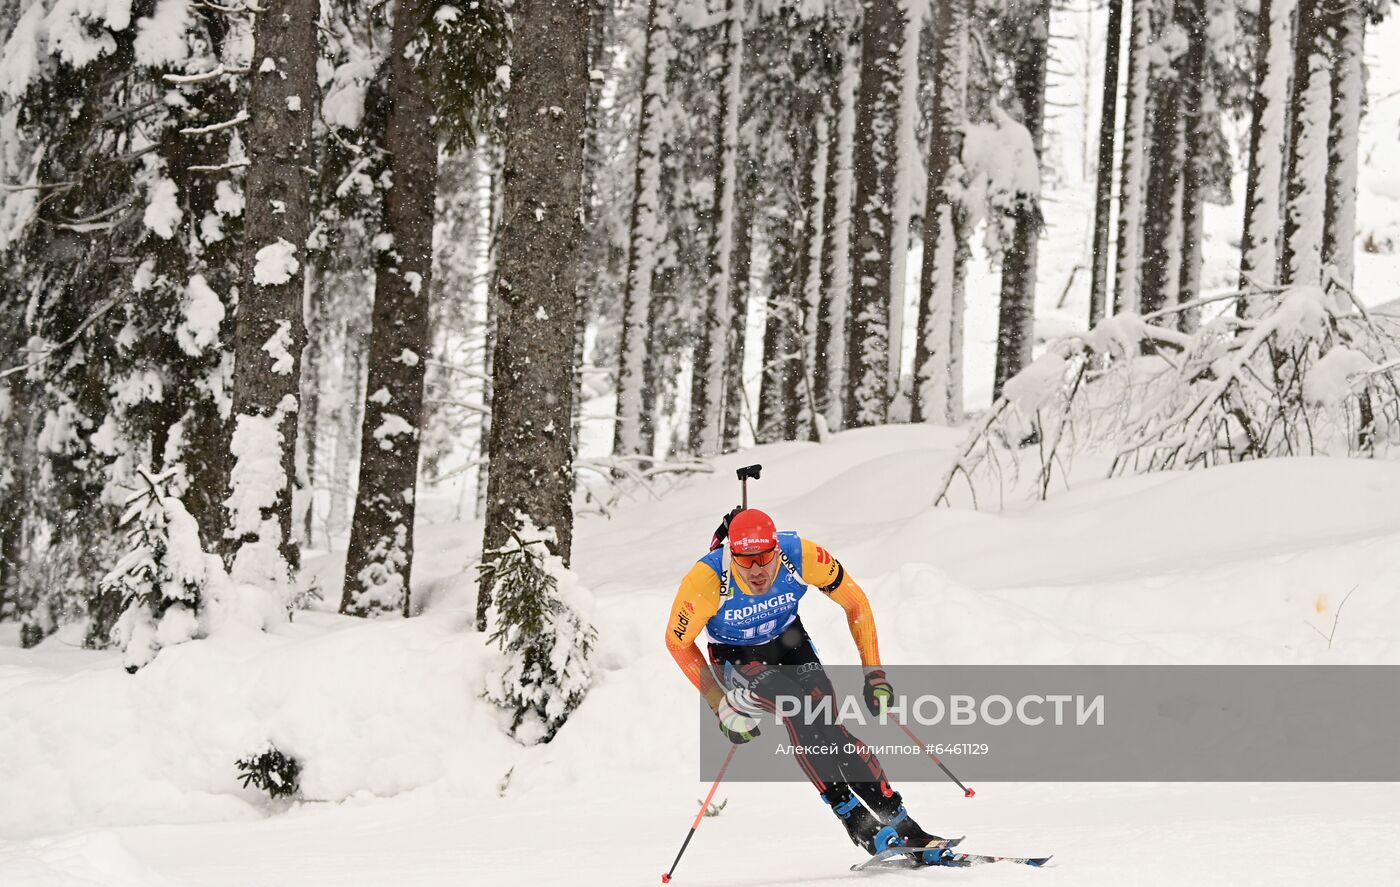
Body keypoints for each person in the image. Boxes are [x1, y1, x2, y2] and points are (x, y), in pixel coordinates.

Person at [665, 507, 946, 861]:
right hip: (736, 657)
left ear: (776, 549)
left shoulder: (801, 555)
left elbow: (856, 603)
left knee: (831, 726)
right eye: (745, 561)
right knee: (797, 709)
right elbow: (677, 642)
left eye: (764, 558)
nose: (757, 570)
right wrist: (720, 704)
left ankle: (902, 823)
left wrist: (874, 674)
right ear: (730, 554)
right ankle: (855, 819)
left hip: (789, 642)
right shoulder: (704, 581)